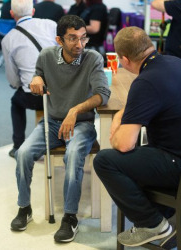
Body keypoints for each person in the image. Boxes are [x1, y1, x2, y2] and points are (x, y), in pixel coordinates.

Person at [93, 26, 181, 248]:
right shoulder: (174, 62)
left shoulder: (146, 81)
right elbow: (144, 102)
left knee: (105, 160)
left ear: (125, 60)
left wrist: (117, 128)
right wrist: (122, 114)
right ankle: (172, 214)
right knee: (142, 152)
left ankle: (154, 225)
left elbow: (124, 144)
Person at [10, 15, 111, 243]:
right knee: (23, 153)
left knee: (73, 155)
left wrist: (75, 111)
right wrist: (36, 79)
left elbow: (103, 95)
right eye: (73, 39)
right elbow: (38, 74)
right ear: (59, 40)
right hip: (52, 122)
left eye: (83, 38)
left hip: (82, 124)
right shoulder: (47, 56)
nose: (80, 44)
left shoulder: (92, 58)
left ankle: (70, 217)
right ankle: (24, 208)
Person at [1, 0, 58, 158]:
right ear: (33, 11)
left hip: (34, 96)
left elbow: (13, 80)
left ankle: (18, 146)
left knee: (16, 102)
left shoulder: (8, 40)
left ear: (12, 14)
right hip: (60, 92)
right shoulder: (51, 25)